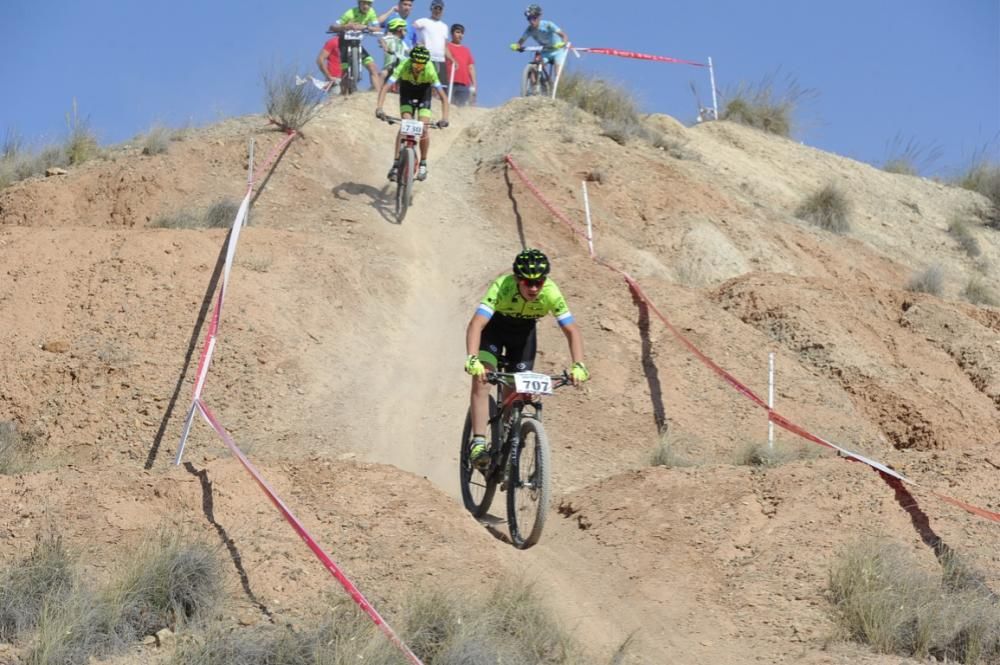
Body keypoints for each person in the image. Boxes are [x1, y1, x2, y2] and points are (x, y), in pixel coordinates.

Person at [464, 249, 589, 469]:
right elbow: (477, 324)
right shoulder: (503, 287)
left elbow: (572, 330)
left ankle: (505, 436)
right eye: (527, 282)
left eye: (538, 282)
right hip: (494, 332)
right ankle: (479, 442)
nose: (533, 288)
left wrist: (578, 364)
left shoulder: (551, 292)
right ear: (516, 279)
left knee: (516, 390)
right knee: (483, 379)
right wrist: (472, 358)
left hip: (523, 338)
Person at [375, 44, 450, 182]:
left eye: (421, 65)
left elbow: (443, 97)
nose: (418, 68)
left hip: (424, 94)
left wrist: (444, 118)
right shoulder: (404, 65)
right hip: (407, 92)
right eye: (415, 65)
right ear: (411, 61)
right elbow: (386, 87)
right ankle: (396, 164)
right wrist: (379, 108)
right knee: (405, 125)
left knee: (424, 129)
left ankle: (423, 163)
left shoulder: (430, 70)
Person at [329, 0, 383, 93]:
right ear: (359, 3)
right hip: (344, 44)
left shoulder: (371, 12)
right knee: (345, 72)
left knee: (373, 67)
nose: (366, 6)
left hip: (357, 44)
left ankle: (378, 96)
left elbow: (377, 28)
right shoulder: (350, 13)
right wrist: (346, 26)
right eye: (364, 3)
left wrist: (365, 27)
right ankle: (344, 96)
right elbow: (332, 26)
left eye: (369, 4)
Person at [510, 4, 569, 86]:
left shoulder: (548, 25)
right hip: (545, 51)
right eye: (529, 19)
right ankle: (535, 89)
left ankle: (559, 89)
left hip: (557, 51)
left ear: (539, 17)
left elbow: (564, 36)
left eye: (534, 18)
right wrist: (517, 46)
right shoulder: (529, 30)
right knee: (535, 66)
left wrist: (563, 43)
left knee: (558, 75)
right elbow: (521, 41)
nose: (531, 21)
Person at [412, 0, 455, 82]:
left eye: (440, 9)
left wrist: (452, 59)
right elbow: (411, 29)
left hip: (440, 60)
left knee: (439, 86)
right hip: (426, 58)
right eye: (436, 8)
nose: (438, 11)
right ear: (431, 9)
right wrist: (416, 42)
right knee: (422, 82)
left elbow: (445, 47)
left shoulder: (444, 26)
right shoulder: (424, 21)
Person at [445, 23, 477, 106]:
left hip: (464, 84)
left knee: (461, 107)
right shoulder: (447, 46)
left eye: (462, 33)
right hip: (449, 81)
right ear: (452, 33)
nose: (460, 35)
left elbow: (470, 67)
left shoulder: (466, 50)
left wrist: (474, 84)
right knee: (448, 104)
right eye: (458, 32)